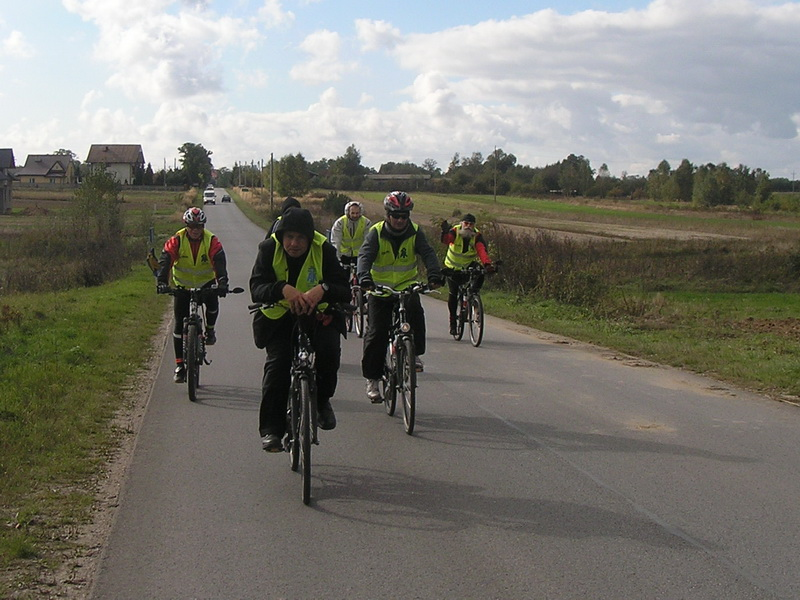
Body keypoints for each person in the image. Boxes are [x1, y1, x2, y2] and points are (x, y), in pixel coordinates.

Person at [250, 207, 350, 452]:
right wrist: (281, 289)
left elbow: (343, 287)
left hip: (317, 315)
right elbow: (256, 287)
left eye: (300, 238)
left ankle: (322, 403)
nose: (294, 243)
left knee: (328, 353)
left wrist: (324, 289)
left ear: (310, 238)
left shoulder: (324, 249)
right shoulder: (268, 249)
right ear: (281, 235)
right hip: (279, 317)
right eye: (289, 237)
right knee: (278, 364)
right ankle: (272, 431)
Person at [357, 191, 443, 402]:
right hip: (380, 289)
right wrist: (364, 278)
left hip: (407, 286)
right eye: (396, 215)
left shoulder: (415, 232)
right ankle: (373, 379)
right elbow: (365, 256)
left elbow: (428, 253)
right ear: (388, 214)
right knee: (376, 333)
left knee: (415, 313)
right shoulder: (375, 233)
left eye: (404, 216)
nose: (400, 220)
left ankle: (415, 354)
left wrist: (434, 274)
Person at [156, 207, 229, 383]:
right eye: (192, 226)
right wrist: (162, 282)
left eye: (199, 226)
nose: (195, 230)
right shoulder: (177, 240)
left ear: (203, 226)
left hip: (206, 285)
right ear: (186, 226)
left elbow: (219, 262)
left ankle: (210, 331)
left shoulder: (211, 241)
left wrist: (223, 283)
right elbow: (166, 260)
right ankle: (180, 366)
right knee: (179, 323)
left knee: (213, 305)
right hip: (183, 286)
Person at [440, 213, 496, 335]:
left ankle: (473, 294)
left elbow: (482, 250)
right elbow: (446, 240)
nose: (468, 226)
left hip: (468, 264)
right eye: (466, 223)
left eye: (471, 224)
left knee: (480, 272)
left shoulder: (476, 235)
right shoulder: (455, 231)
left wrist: (487, 265)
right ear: (461, 223)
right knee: (453, 295)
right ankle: (453, 323)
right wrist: (444, 232)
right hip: (452, 267)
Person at [330, 200, 372, 265]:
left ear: (360, 212)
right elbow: (336, 242)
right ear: (348, 212)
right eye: (352, 213)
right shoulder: (340, 223)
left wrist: (367, 257)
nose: (355, 215)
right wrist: (337, 259)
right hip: (343, 256)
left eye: (357, 213)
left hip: (360, 256)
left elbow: (368, 241)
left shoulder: (366, 223)